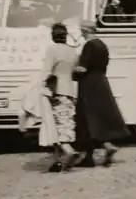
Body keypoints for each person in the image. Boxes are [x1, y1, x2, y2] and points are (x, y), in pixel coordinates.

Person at [74, 20, 131, 168]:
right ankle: (104, 148)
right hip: (101, 82)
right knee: (98, 118)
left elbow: (83, 68)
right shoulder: (102, 45)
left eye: (81, 30)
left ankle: (92, 155)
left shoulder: (89, 45)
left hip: (89, 84)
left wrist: (71, 69)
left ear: (85, 31)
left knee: (87, 119)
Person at [41, 23, 81, 172]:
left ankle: (68, 151)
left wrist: (38, 85)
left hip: (55, 91)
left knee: (54, 125)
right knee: (66, 122)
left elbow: (47, 71)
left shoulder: (52, 50)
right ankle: (57, 161)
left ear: (52, 35)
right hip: (70, 91)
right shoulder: (72, 52)